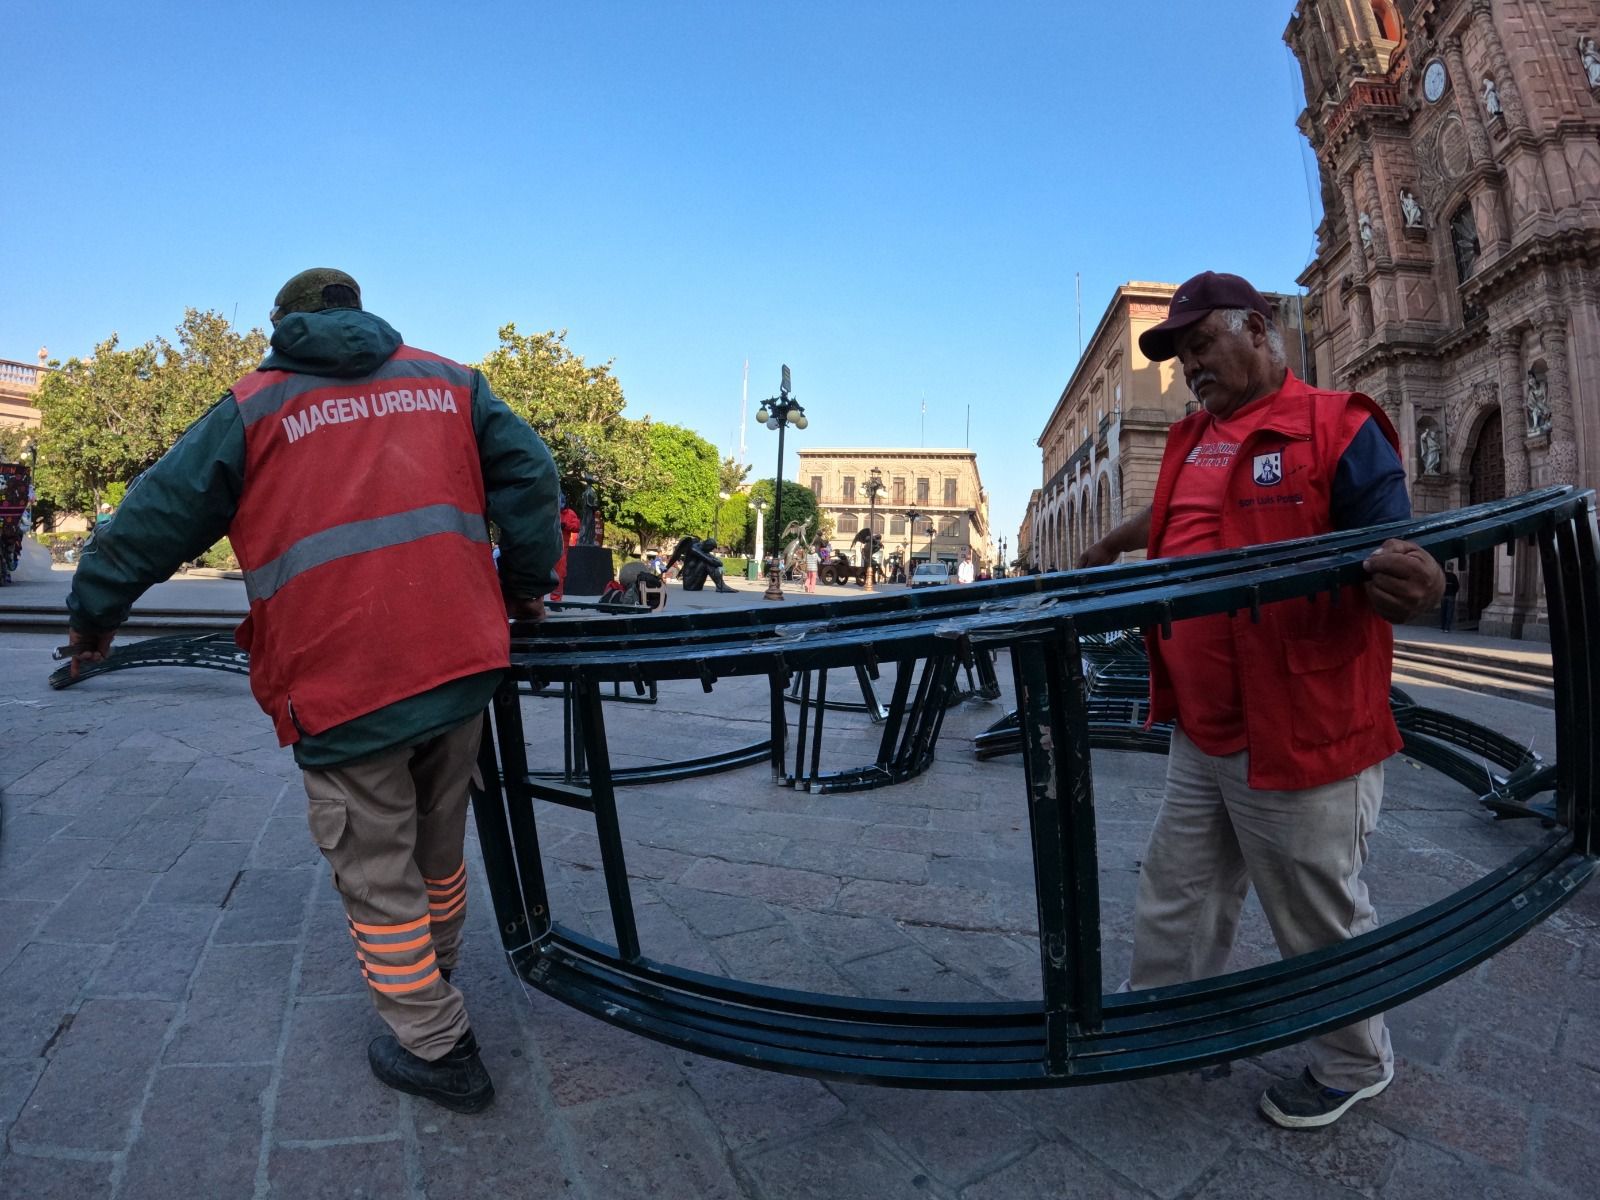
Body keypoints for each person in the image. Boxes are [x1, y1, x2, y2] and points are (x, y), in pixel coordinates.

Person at [63, 268, 562, 1115]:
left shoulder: (253, 407)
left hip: (343, 680)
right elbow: (532, 473)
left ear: (282, 323)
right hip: (456, 660)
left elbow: (154, 517)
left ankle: (437, 1047)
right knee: (439, 850)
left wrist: (93, 615)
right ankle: (438, 973)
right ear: (359, 313)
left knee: (377, 874)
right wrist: (523, 585)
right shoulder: (450, 383)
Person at [1078, 270, 1443, 1130]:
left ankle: (1356, 1060)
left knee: (1315, 907)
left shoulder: (1339, 427)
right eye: (1180, 355)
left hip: (1302, 725)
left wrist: (1421, 583)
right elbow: (1171, 515)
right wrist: (1104, 547)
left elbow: (1399, 550)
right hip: (1201, 724)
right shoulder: (1192, 437)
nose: (1191, 366)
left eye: (1203, 343)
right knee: (1179, 889)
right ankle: (1171, 1024)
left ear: (1259, 327)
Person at [1441, 563, 1461, 632]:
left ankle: (1443, 626)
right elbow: (1457, 586)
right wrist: (1453, 592)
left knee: (1443, 611)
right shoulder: (1453, 576)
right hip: (1451, 595)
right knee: (1449, 612)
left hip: (1443, 595)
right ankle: (1447, 628)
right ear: (1452, 568)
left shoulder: (1443, 576)